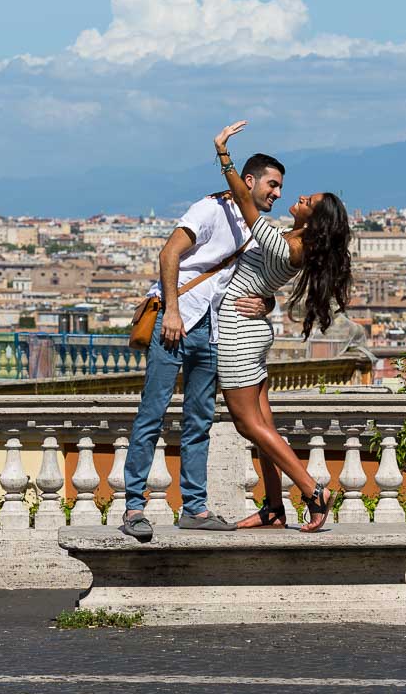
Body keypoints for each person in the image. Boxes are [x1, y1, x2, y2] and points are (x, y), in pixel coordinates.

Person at [122, 152, 286, 540]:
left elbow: (260, 281)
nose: (277, 194)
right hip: (176, 320)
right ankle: (133, 506)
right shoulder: (209, 209)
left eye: (279, 187)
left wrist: (268, 303)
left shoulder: (254, 229)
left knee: (199, 421)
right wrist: (173, 312)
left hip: (214, 329)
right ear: (249, 181)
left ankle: (194, 507)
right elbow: (169, 253)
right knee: (152, 413)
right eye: (272, 184)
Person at [214, 120, 352, 533]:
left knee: (247, 424)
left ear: (315, 218)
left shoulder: (288, 244)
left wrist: (223, 154)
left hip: (239, 332)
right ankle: (273, 508)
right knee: (263, 428)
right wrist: (269, 298)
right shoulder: (295, 241)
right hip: (253, 330)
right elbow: (263, 278)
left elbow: (245, 201)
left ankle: (312, 490)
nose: (298, 198)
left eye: (307, 200)